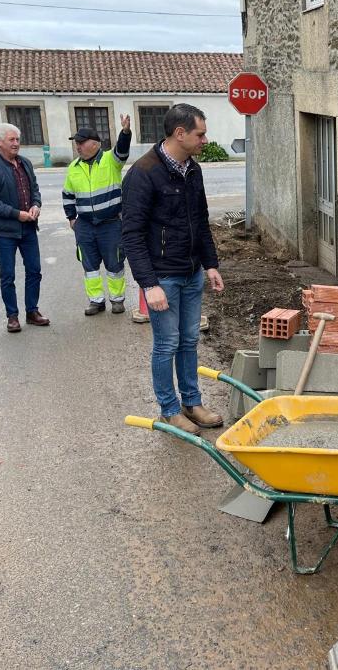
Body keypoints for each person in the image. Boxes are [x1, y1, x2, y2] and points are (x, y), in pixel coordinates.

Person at [121, 103, 223, 433]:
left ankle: (192, 403)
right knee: (167, 344)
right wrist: (148, 284)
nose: (205, 140)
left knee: (189, 340)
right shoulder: (144, 172)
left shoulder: (193, 170)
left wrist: (210, 264)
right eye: (200, 133)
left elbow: (201, 222)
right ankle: (169, 408)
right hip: (162, 277)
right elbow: (132, 234)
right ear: (180, 134)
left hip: (191, 272)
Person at [0, 123, 50, 333]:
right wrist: (16, 214)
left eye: (17, 139)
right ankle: (12, 316)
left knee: (34, 271)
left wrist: (36, 205)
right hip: (5, 232)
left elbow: (34, 189)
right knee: (8, 275)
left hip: (28, 228)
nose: (16, 143)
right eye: (11, 140)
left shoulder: (25, 163)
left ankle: (32, 311)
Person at [62, 117, 133, 315]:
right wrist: (71, 218)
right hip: (84, 225)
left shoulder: (111, 160)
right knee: (89, 265)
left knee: (115, 262)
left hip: (110, 224)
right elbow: (67, 195)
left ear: (95, 144)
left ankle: (117, 300)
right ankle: (96, 301)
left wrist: (125, 132)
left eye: (81, 142)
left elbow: (122, 150)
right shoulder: (73, 167)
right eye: (76, 143)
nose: (78, 146)